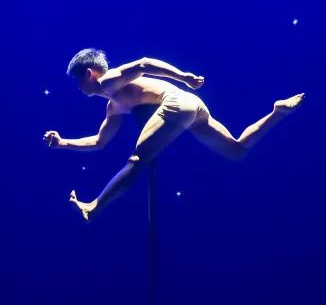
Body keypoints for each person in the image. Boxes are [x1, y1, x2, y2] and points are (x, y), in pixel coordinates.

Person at [44, 48, 304, 221]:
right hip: (193, 107)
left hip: (177, 102)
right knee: (236, 150)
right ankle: (277, 112)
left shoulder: (108, 81)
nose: (78, 88)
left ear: (89, 73)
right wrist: (63, 142)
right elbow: (99, 141)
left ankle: (94, 206)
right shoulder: (113, 106)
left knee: (138, 159)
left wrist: (183, 77)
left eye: (78, 81)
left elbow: (144, 63)